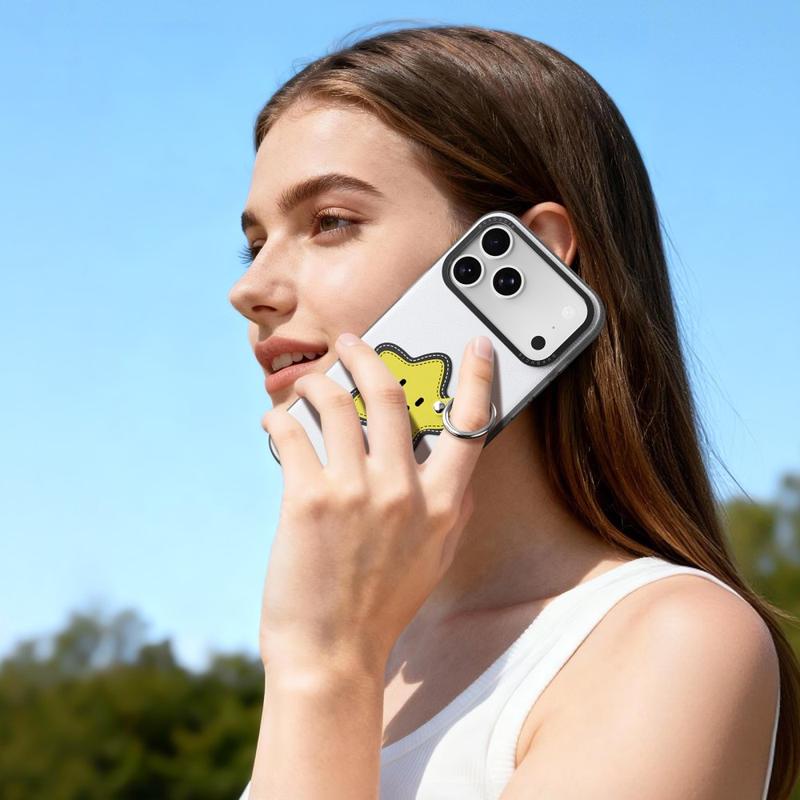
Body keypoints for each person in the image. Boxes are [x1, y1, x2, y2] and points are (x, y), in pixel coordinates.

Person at [228, 24, 798, 800]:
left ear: (532, 261)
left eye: (331, 222)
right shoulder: (366, 645)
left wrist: (324, 668)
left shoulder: (674, 640)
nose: (249, 289)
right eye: (254, 244)